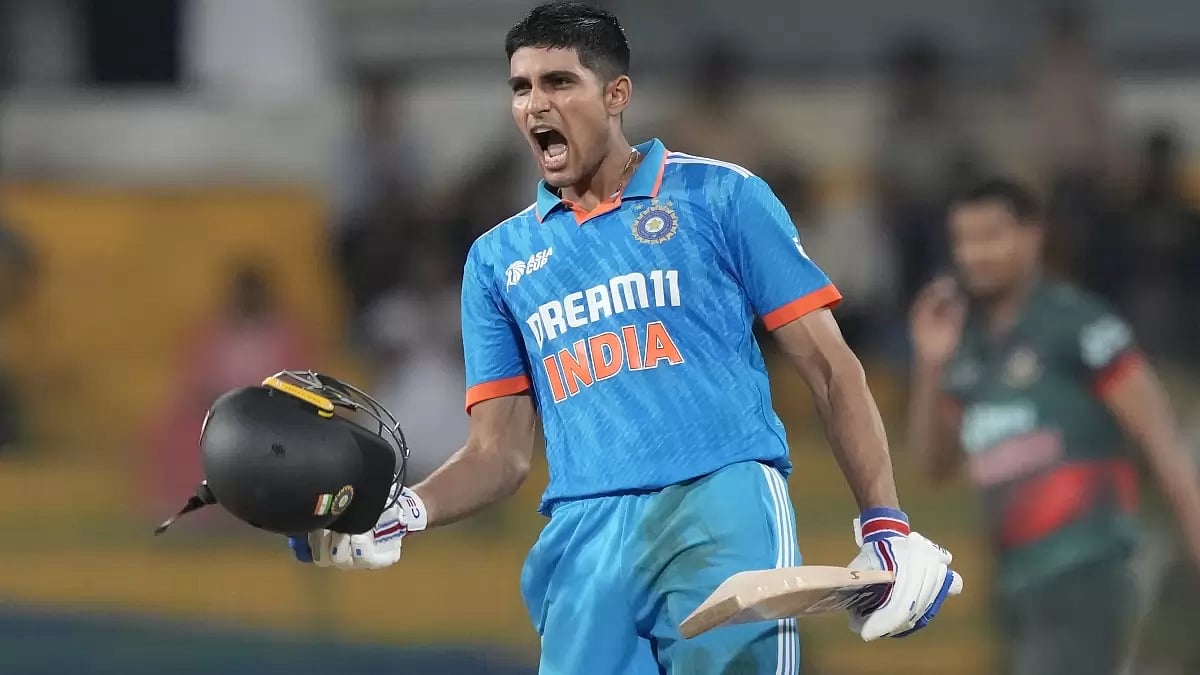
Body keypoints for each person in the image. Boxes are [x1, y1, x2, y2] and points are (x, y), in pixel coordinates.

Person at [292, 4, 961, 673]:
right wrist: (405, 510)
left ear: (616, 95)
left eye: (558, 82)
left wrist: (885, 525)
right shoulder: (497, 259)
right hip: (581, 541)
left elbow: (830, 369)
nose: (534, 105)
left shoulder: (721, 196)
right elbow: (499, 452)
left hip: (719, 505)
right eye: (520, 87)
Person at [906, 177, 1200, 675]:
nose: (974, 254)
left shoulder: (1078, 325)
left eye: (991, 237)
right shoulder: (968, 347)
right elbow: (932, 469)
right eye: (963, 241)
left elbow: (1160, 438)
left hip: (1085, 564)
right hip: (1012, 581)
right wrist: (931, 365)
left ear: (1032, 236)